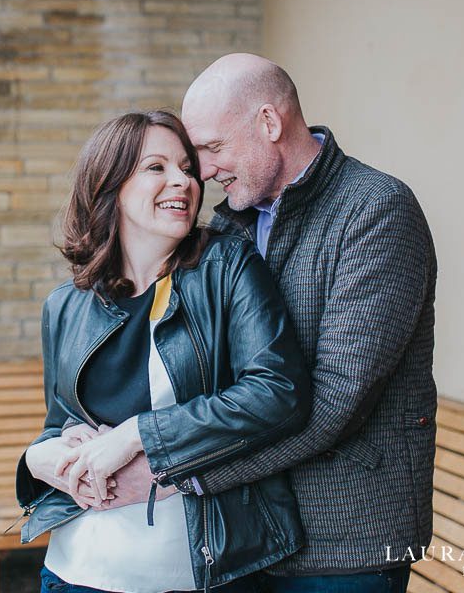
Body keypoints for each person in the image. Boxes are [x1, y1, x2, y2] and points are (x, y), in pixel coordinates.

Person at [145, 53, 435, 592]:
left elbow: (334, 404)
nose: (203, 171)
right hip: (248, 534)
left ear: (270, 123)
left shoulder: (376, 210)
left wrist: (188, 476)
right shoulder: (228, 225)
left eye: (212, 147)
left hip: (347, 543)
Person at [15, 110, 312, 593]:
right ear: (109, 185)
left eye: (188, 168)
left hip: (196, 568)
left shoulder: (227, 267)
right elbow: (62, 424)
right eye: (157, 167)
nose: (184, 182)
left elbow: (276, 391)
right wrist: (36, 461)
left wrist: (138, 434)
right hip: (75, 569)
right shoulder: (64, 306)